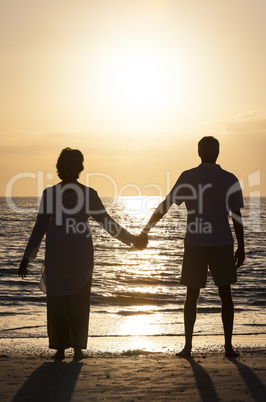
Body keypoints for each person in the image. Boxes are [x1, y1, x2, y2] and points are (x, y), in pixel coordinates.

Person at [18, 148, 148, 360]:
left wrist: (27, 257)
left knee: (58, 299)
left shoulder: (50, 194)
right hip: (79, 251)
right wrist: (133, 240)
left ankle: (60, 348)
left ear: (59, 168)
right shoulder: (88, 194)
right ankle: (77, 348)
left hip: (59, 252)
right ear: (80, 168)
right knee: (78, 298)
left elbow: (39, 227)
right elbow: (107, 223)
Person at [141, 136, 245, 357]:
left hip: (196, 243)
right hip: (222, 242)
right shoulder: (229, 178)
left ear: (199, 152)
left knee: (192, 295)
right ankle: (228, 347)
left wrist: (146, 229)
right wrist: (241, 246)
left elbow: (166, 205)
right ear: (218, 152)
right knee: (225, 294)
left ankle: (188, 346)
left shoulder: (189, 176)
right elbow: (237, 217)